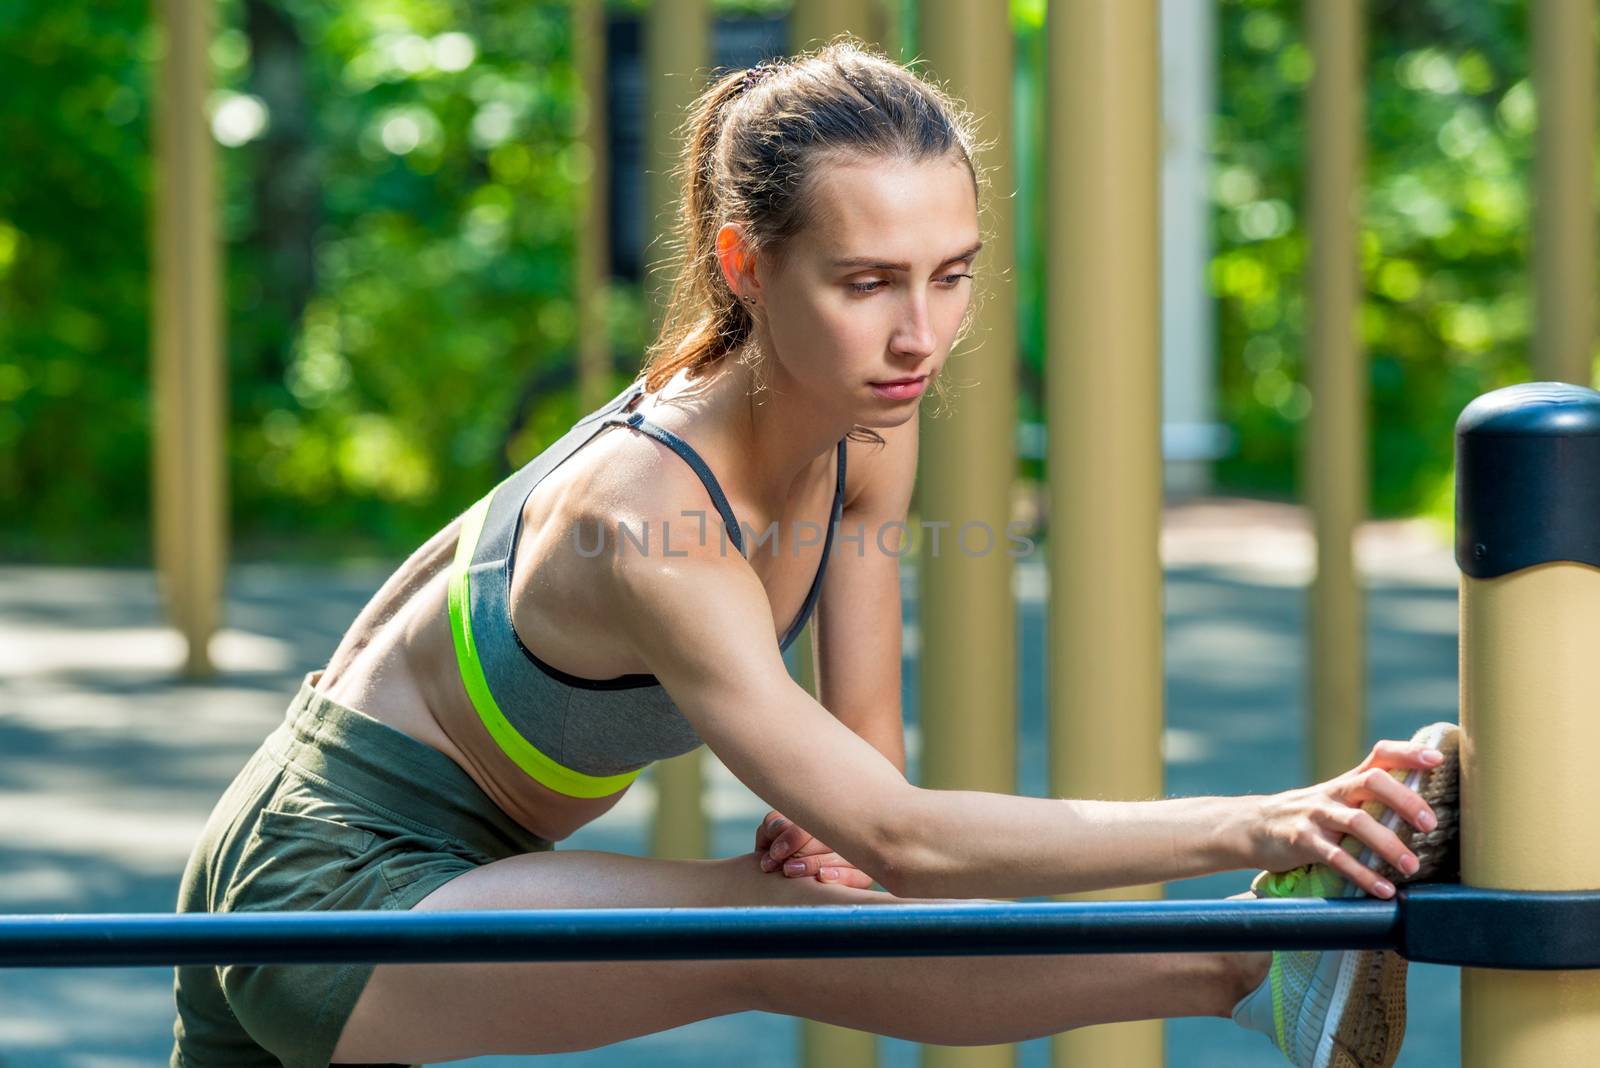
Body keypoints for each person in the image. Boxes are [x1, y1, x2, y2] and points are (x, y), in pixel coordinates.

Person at [170, 39, 1459, 1068]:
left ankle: (1263, 958)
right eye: (867, 282)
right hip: (326, 891)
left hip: (470, 873)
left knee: (798, 905)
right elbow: (906, 840)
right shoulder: (643, 514)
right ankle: (1249, 968)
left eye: (949, 276)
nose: (921, 337)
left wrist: (829, 827)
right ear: (745, 264)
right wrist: (1263, 821)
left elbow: (867, 778)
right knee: (766, 931)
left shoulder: (866, 430)